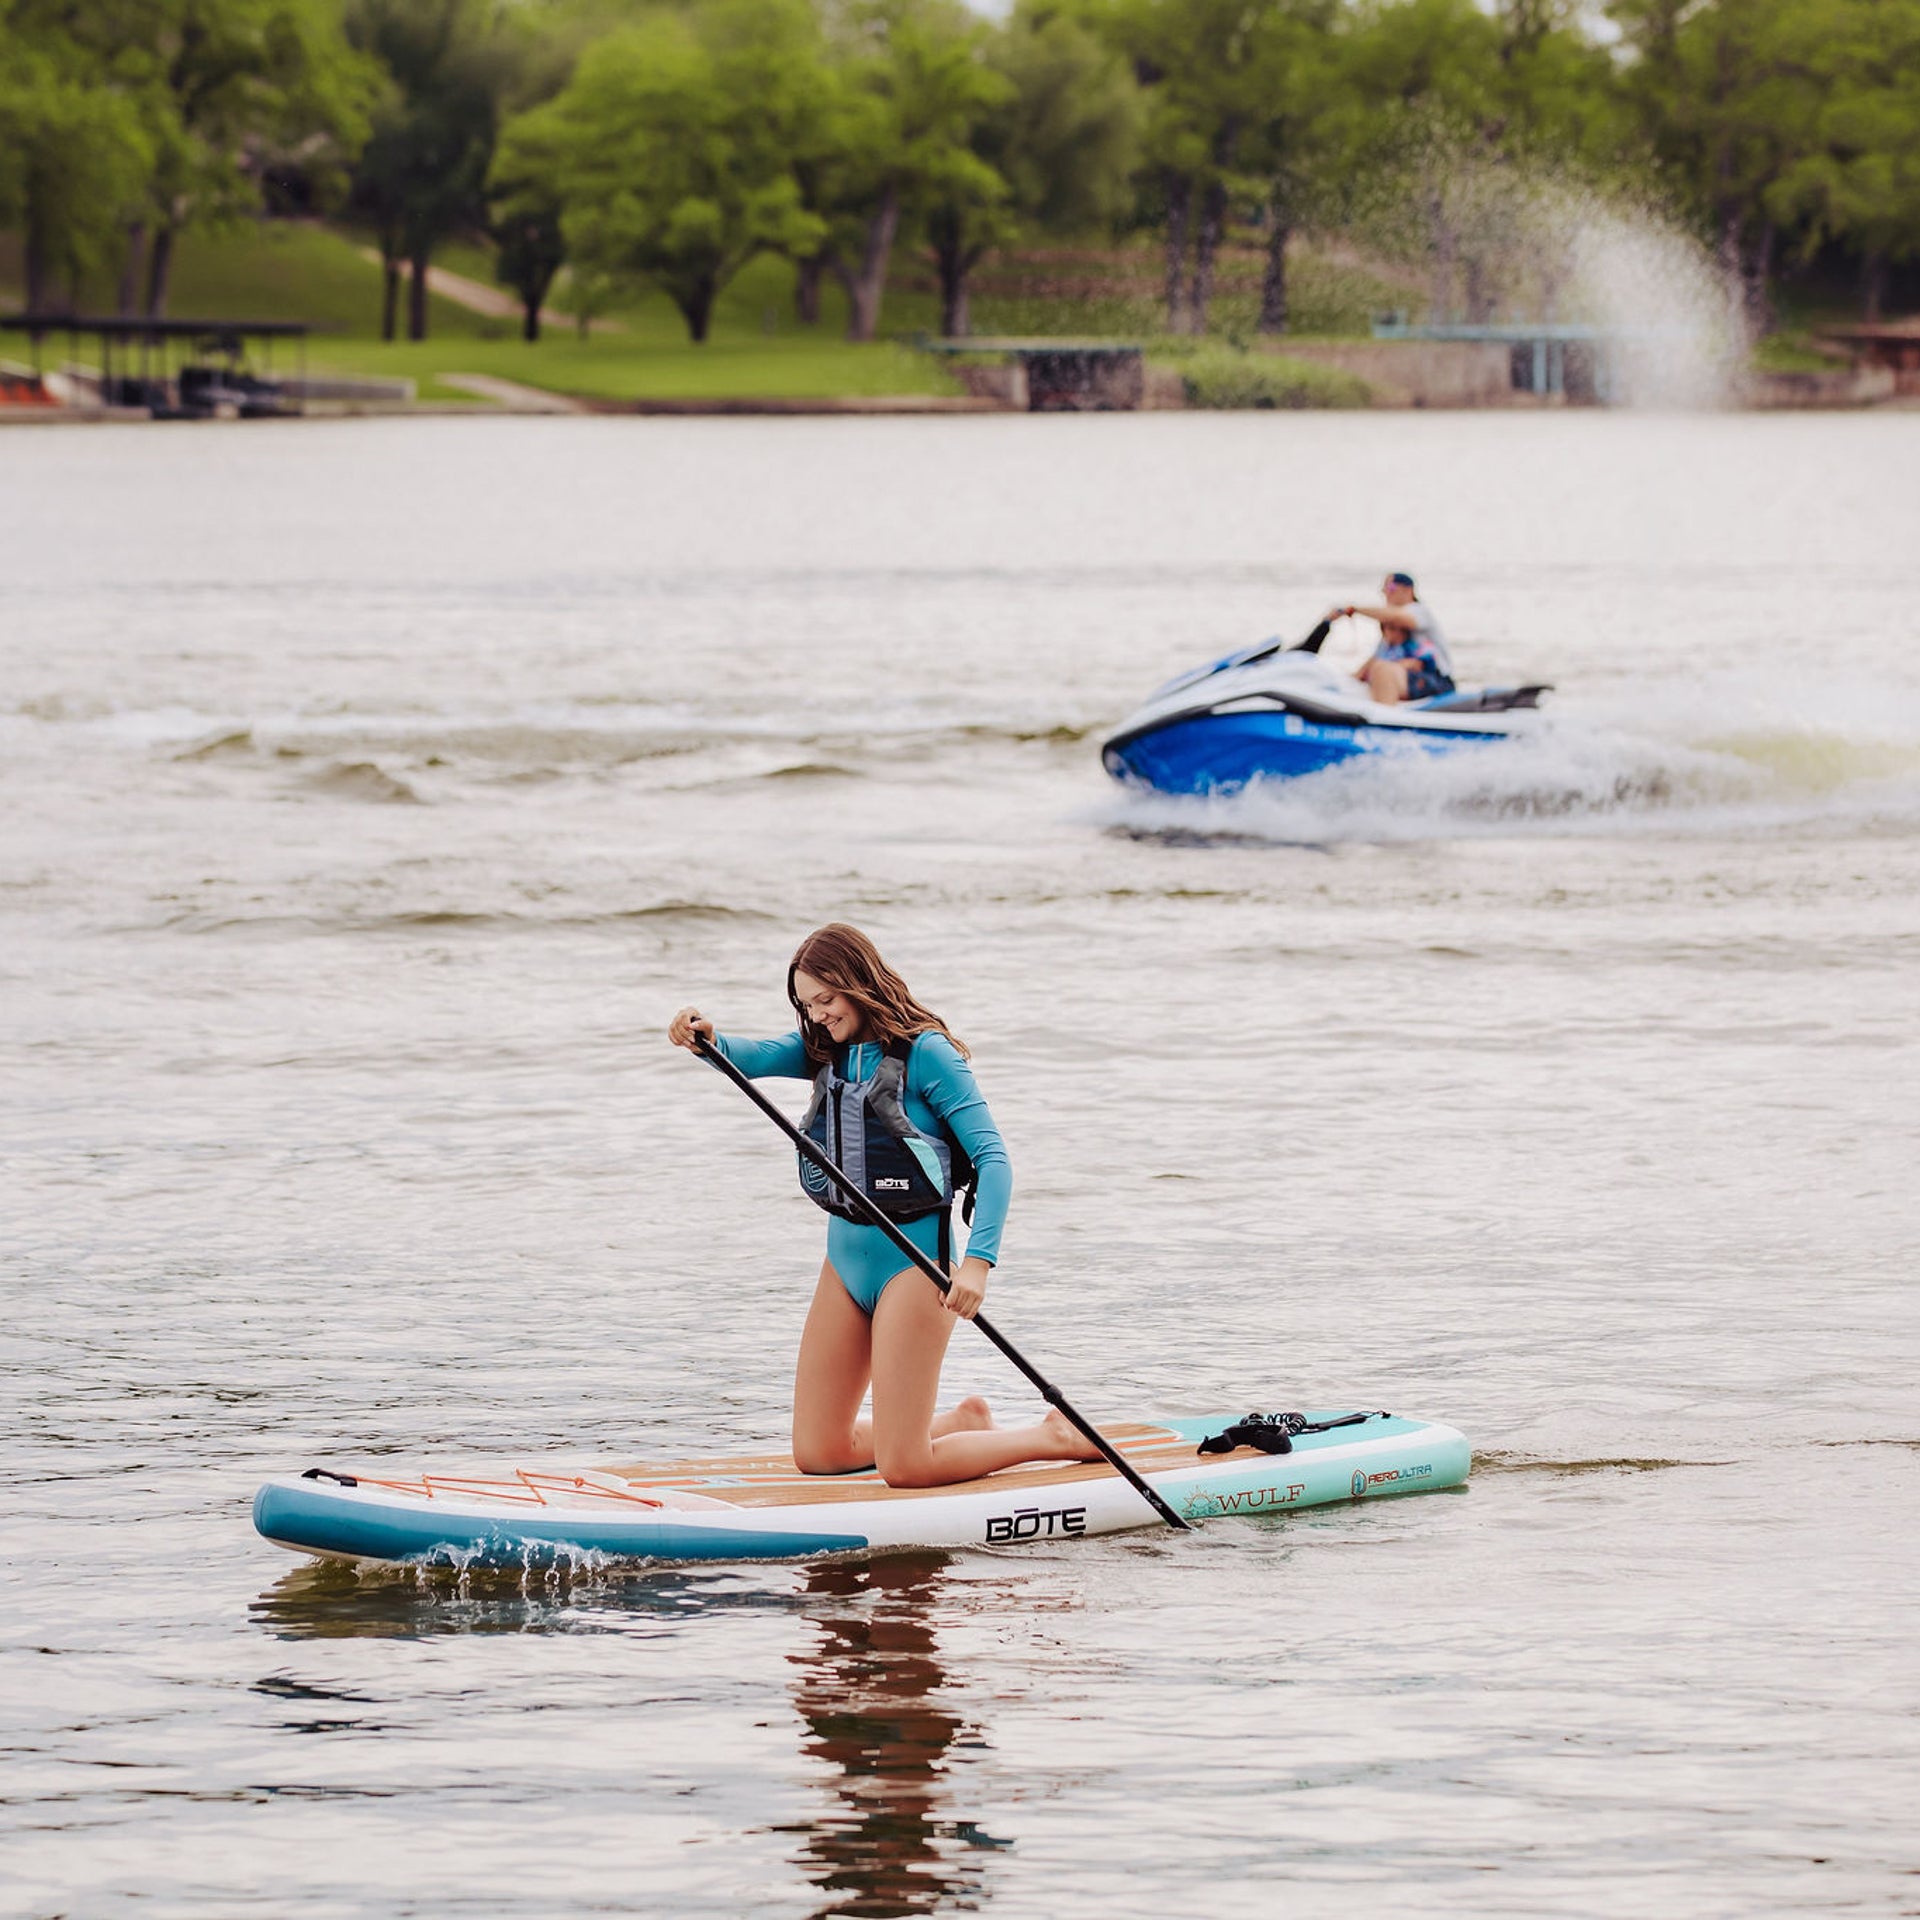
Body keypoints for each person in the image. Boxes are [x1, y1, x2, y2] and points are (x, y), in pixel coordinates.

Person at [667, 923, 1100, 1489]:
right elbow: (743, 1055)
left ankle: (1051, 1437)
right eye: (807, 1004)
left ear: (859, 983)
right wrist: (703, 1037)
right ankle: (959, 1424)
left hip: (915, 1266)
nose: (818, 1014)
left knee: (906, 1468)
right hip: (843, 1262)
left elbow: (993, 1160)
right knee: (819, 1453)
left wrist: (978, 1263)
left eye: (826, 999)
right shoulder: (824, 1050)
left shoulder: (927, 1055)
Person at [1330, 571, 1456, 704]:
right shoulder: (1389, 634)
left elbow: (1397, 617)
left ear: (1408, 590)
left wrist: (1355, 610)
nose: (1385, 592)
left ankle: (1383, 719)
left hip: (1435, 679)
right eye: (1384, 588)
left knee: (1382, 669)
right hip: (1404, 678)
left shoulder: (1418, 610)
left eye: (1390, 587)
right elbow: (1372, 661)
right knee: (1376, 669)